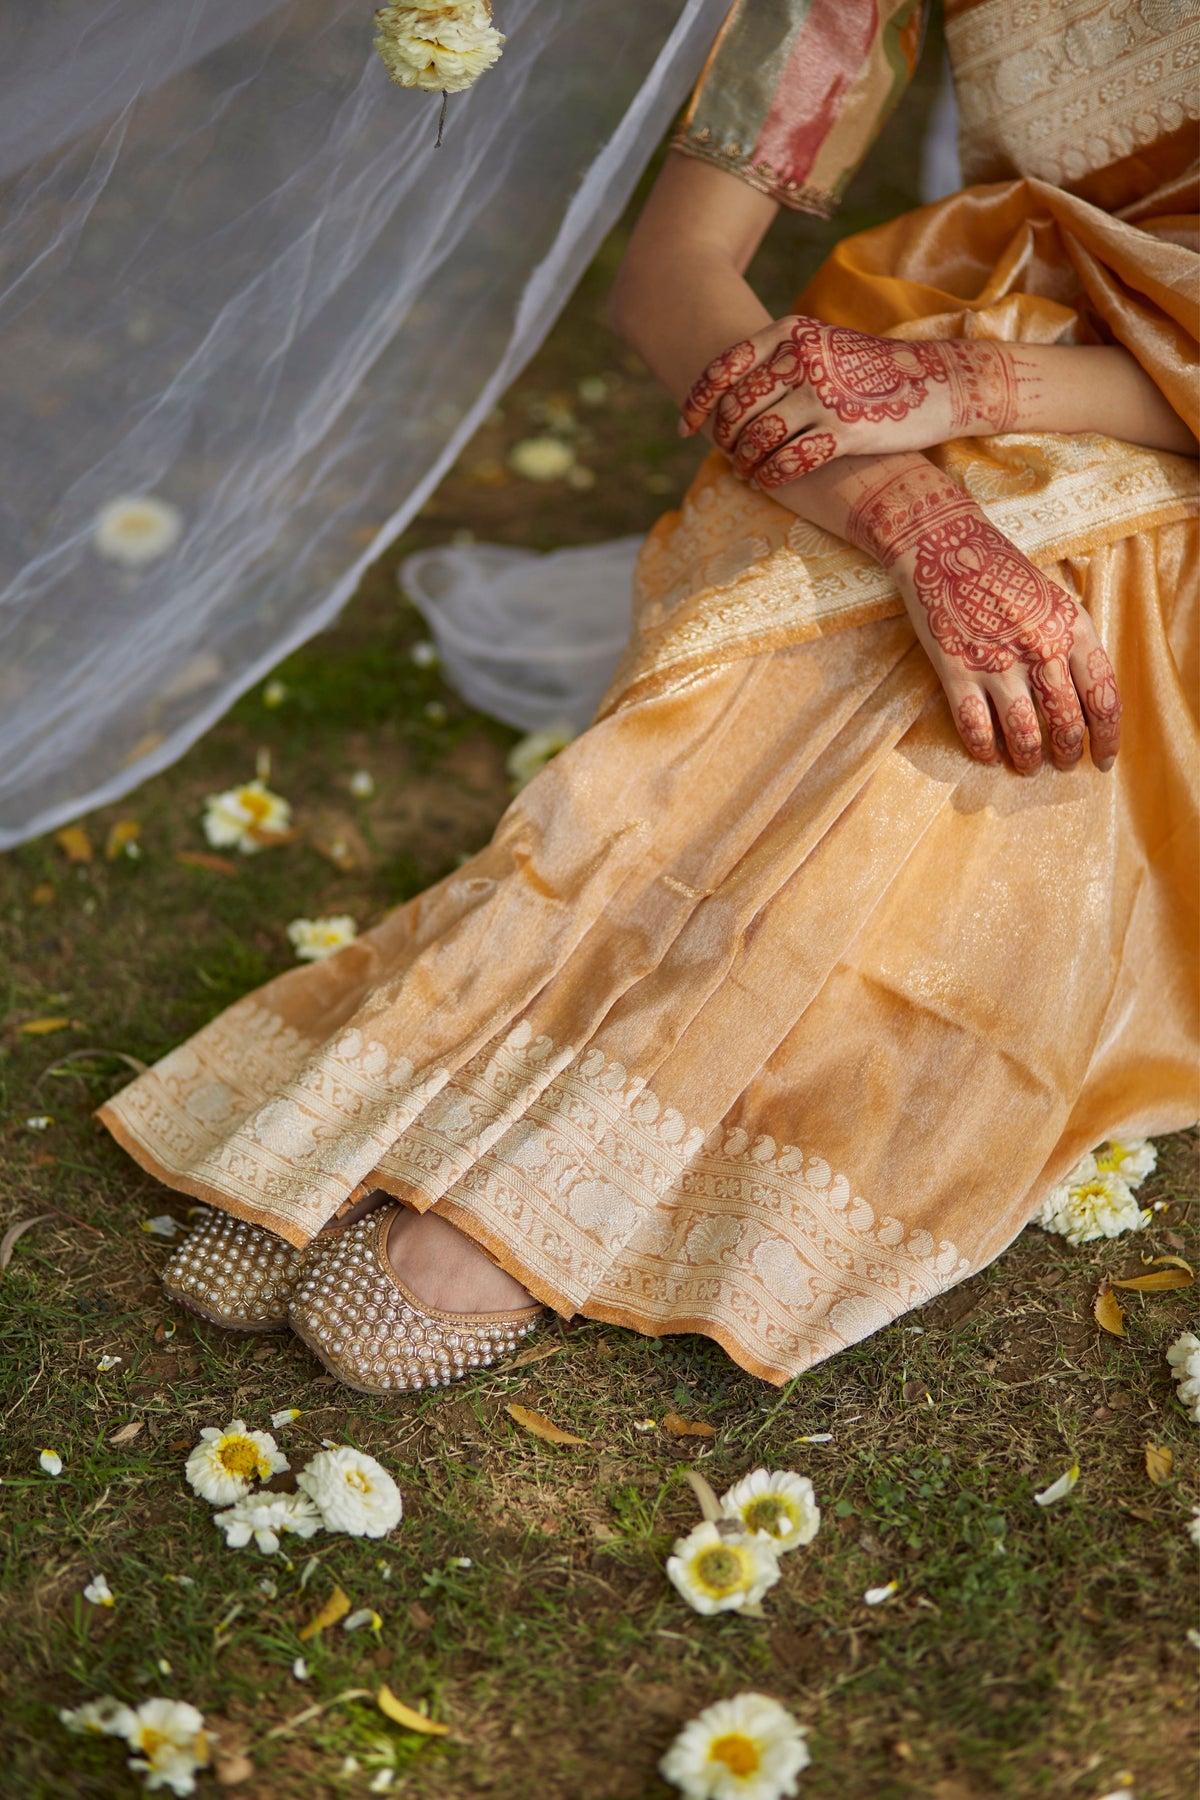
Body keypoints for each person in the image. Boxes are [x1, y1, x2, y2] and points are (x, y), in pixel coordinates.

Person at [99, 0, 1198, 1395]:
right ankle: (460, 1098)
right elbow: (674, 275)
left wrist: (958, 379)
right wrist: (905, 514)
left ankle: (525, 1147)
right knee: (897, 589)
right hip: (992, 374)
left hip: (1129, 422)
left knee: (1048, 620)